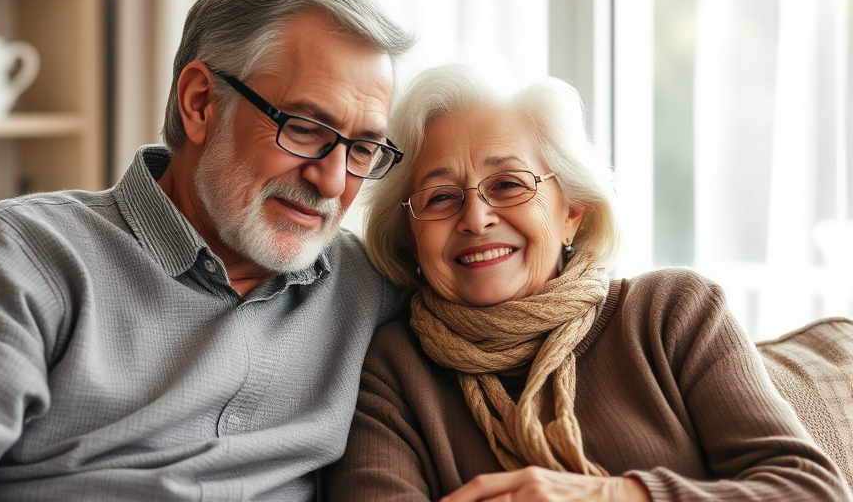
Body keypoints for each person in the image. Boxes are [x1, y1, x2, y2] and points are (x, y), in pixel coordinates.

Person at [0, 0, 415, 501]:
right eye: (306, 128)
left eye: (363, 148)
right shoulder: (20, 255)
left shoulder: (367, 286)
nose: (333, 181)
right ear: (200, 103)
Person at [322, 65, 853, 501]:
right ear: (411, 239)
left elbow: (812, 490)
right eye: (440, 197)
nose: (476, 218)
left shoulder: (672, 313)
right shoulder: (393, 369)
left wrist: (611, 496)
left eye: (508, 184)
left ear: (572, 211)